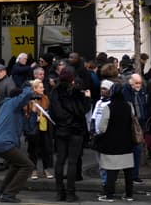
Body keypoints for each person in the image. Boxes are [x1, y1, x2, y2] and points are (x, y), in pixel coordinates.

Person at [0, 86, 37, 203]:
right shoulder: (10, 103)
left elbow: (29, 128)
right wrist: (30, 86)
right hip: (3, 142)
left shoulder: (16, 111)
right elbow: (25, 95)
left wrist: (33, 114)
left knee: (17, 164)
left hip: (0, 142)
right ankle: (9, 194)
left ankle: (1, 191)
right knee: (28, 165)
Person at [50, 67, 91, 202]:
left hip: (61, 130)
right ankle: (70, 193)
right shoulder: (77, 92)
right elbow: (83, 110)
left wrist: (63, 121)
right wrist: (87, 99)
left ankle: (59, 192)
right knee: (72, 162)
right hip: (75, 130)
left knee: (60, 160)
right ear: (72, 78)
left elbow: (55, 112)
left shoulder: (55, 91)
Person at [96, 83, 136, 202]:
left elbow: (102, 128)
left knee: (111, 170)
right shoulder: (129, 106)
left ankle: (109, 195)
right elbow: (133, 120)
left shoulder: (108, 108)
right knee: (128, 171)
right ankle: (129, 195)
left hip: (111, 143)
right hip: (127, 143)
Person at [25, 79, 53, 180]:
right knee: (33, 150)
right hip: (33, 128)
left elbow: (48, 109)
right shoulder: (29, 99)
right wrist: (32, 117)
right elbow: (25, 112)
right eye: (41, 87)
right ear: (35, 89)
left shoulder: (45, 98)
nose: (43, 89)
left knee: (45, 149)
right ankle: (33, 170)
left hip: (44, 126)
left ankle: (46, 169)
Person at [123, 73, 147, 184]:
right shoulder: (126, 92)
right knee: (131, 150)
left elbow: (144, 105)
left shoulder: (141, 91)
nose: (139, 85)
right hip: (129, 125)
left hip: (139, 124)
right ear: (131, 83)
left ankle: (134, 175)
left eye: (140, 83)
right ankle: (130, 175)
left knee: (137, 150)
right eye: (137, 83)